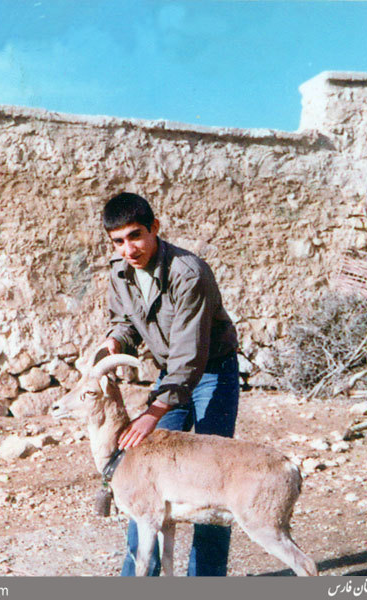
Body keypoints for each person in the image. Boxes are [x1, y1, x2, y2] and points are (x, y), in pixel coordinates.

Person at [100, 191, 240, 576]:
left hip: (212, 373)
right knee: (145, 479)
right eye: (118, 241)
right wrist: (115, 341)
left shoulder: (188, 272)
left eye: (135, 235)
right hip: (171, 377)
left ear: (155, 228)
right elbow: (126, 321)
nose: (129, 248)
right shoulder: (119, 271)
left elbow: (189, 355)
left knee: (214, 484)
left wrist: (154, 412)